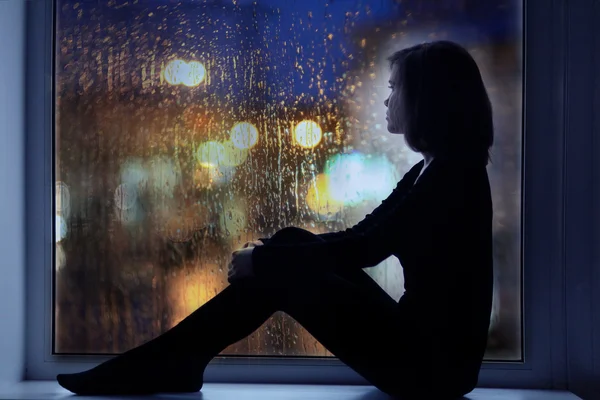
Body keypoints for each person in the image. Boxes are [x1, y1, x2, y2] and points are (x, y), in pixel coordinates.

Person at [57, 40, 494, 399]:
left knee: (283, 266)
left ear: (425, 100)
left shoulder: (454, 177)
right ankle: (174, 362)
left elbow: (366, 248)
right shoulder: (433, 169)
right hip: (421, 353)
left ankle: (166, 364)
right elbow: (364, 234)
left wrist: (265, 264)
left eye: (395, 88)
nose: (386, 98)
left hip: (432, 371)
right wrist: (275, 253)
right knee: (289, 239)